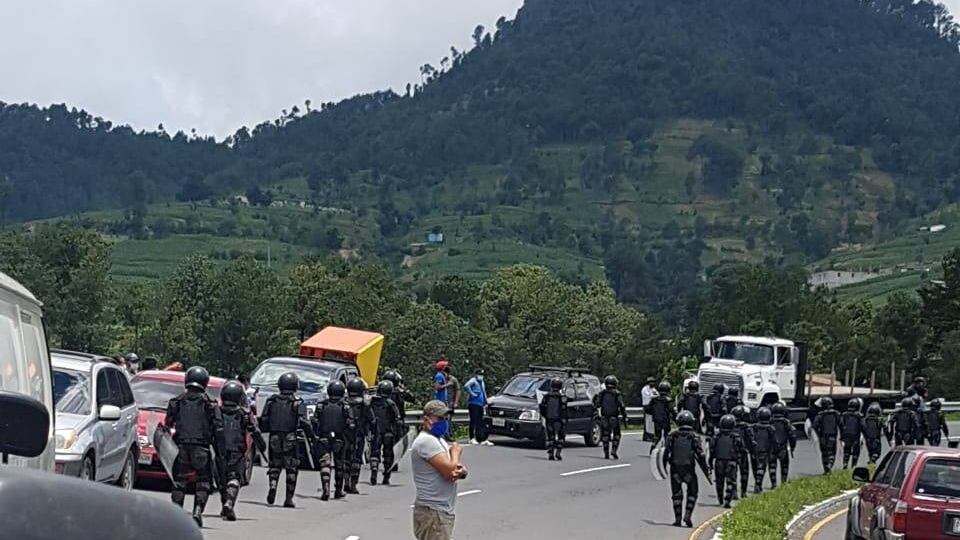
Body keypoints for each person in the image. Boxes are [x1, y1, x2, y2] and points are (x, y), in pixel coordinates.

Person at [164, 366, 221, 526]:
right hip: (201, 448)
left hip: (181, 447)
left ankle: (177, 514)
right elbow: (218, 428)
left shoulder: (176, 401)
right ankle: (197, 512)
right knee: (203, 482)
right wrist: (220, 452)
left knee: (179, 482)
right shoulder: (210, 404)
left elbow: (168, 424)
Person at [259, 372, 315, 507]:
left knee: (274, 465)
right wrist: (312, 436)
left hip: (274, 437)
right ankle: (288, 499)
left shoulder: (271, 401)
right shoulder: (297, 402)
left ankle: (273, 485)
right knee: (292, 468)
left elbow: (264, 419)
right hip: (291, 437)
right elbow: (304, 422)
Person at [412, 400, 466, 540]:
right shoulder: (426, 441)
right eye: (440, 418)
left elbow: (454, 468)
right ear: (427, 419)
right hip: (433, 512)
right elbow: (450, 471)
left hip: (439, 511)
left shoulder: (438, 440)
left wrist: (460, 469)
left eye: (445, 418)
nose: (443, 422)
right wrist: (456, 452)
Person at [217, 380, 263, 521]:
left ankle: (225, 504)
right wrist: (262, 445)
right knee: (234, 478)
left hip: (219, 451)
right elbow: (255, 431)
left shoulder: (216, 411)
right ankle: (229, 503)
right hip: (237, 451)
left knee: (222, 480)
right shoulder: (244, 414)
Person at [663, 410, 711, 528]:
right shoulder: (694, 437)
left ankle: (677, 519)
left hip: (675, 470)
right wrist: (707, 469)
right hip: (689, 470)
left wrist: (663, 467)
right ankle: (688, 515)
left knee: (676, 494)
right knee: (693, 492)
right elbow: (700, 454)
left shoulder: (672, 436)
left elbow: (665, 453)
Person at [314, 380, 354, 500]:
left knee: (324, 464)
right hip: (339, 438)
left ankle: (325, 488)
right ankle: (338, 490)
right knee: (339, 464)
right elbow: (351, 424)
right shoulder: (345, 406)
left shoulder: (321, 405)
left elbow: (314, 421)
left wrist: (315, 436)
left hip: (323, 437)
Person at [345, 377, 375, 494]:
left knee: (345, 459)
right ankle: (353, 484)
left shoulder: (344, 402)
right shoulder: (365, 405)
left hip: (345, 435)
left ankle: (345, 482)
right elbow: (372, 420)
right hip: (359, 435)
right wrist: (372, 434)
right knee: (356, 460)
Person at [370, 380, 401, 485]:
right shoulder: (391, 404)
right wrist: (397, 432)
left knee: (374, 452)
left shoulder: (372, 402)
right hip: (388, 431)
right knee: (388, 454)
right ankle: (386, 476)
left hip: (375, 431)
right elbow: (397, 419)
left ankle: (374, 469)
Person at [709, 414, 742, 508]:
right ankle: (727, 500)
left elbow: (712, 450)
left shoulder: (716, 437)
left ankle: (720, 499)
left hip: (719, 461)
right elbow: (741, 449)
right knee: (730, 482)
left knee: (719, 482)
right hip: (731, 462)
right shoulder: (736, 437)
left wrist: (710, 462)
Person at [594, 375, 628, 459]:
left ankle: (606, 453)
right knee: (617, 434)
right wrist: (625, 416)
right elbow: (622, 405)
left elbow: (597, 404)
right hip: (614, 417)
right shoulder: (617, 393)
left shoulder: (602, 393)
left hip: (604, 417)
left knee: (605, 434)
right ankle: (613, 450)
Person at [539, 377, 568, 461]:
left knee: (550, 436)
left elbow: (542, 407)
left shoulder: (547, 396)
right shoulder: (562, 397)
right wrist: (565, 418)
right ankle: (558, 452)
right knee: (561, 436)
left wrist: (544, 416)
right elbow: (564, 409)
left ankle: (550, 453)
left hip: (549, 418)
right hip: (559, 419)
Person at [769, 402, 796, 487]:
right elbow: (792, 435)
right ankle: (783, 482)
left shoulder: (769, 422)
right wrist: (792, 446)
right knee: (784, 466)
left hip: (771, 448)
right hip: (783, 447)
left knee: (772, 466)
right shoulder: (786, 422)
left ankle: (773, 484)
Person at [731, 405, 755, 499]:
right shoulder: (747, 427)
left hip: (732, 453)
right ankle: (743, 492)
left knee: (733, 474)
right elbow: (751, 440)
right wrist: (752, 451)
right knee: (744, 472)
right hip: (743, 452)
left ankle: (734, 492)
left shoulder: (729, 426)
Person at [813, 397, 841, 474]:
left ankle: (826, 469)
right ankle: (830, 465)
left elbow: (815, 425)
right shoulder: (836, 414)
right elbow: (841, 424)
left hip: (823, 436)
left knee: (824, 453)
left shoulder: (820, 415)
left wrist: (818, 433)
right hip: (832, 436)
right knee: (832, 452)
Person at [464, 369, 492, 446]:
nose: (481, 376)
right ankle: (471, 438)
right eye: (479, 374)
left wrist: (486, 401)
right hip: (473, 403)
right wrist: (472, 393)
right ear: (476, 374)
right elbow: (466, 385)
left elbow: (484, 392)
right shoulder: (473, 380)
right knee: (473, 421)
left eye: (482, 374)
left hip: (480, 404)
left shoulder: (482, 382)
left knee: (480, 422)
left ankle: (482, 438)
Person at [646, 381, 675, 453]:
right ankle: (667, 449)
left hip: (656, 419)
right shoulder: (668, 400)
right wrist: (674, 417)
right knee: (666, 434)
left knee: (657, 435)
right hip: (665, 419)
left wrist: (654, 413)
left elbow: (648, 409)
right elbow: (671, 410)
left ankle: (653, 446)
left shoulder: (654, 399)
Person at [751, 407, 775, 494]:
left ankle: (757, 484)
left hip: (754, 450)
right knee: (761, 468)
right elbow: (773, 441)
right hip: (764, 450)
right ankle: (758, 484)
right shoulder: (771, 428)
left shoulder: (754, 427)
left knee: (755, 468)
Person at [840, 400, 865, 469]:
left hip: (846, 435)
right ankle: (853, 465)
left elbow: (841, 424)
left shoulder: (844, 415)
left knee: (846, 450)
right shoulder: (859, 415)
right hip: (856, 435)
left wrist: (842, 436)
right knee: (856, 451)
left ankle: (845, 463)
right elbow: (863, 426)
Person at [442, 365, 461, 441]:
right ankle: (444, 434)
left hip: (450, 402)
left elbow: (458, 390)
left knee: (448, 418)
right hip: (443, 402)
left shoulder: (453, 379)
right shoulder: (442, 379)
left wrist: (456, 402)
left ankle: (449, 434)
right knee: (443, 418)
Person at [641, 377, 659, 442]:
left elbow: (658, 394)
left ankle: (651, 435)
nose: (652, 383)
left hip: (652, 406)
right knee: (647, 422)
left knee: (651, 422)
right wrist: (655, 396)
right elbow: (649, 396)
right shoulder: (645, 389)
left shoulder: (653, 389)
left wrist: (656, 396)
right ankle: (646, 436)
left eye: (653, 382)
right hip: (646, 406)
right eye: (651, 382)